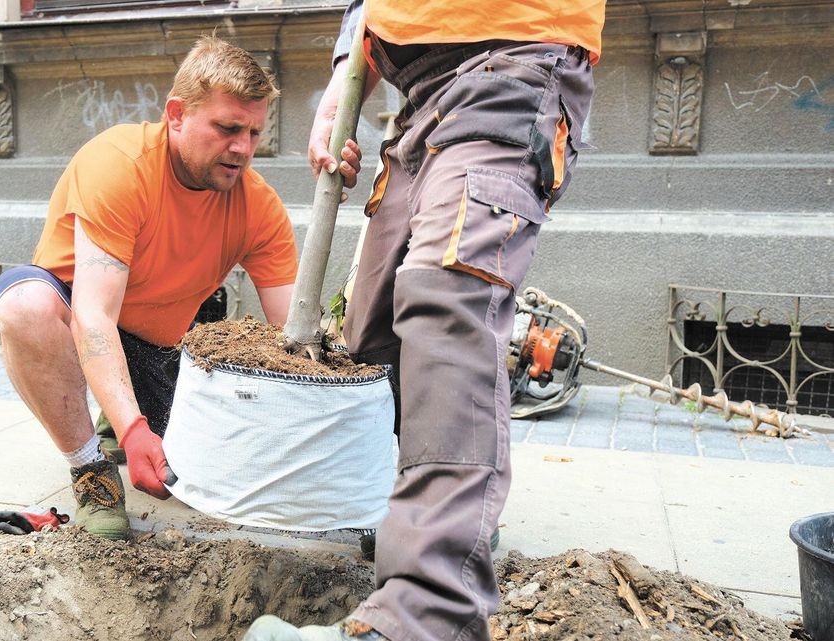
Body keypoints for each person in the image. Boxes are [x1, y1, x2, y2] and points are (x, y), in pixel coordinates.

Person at [245, 2, 604, 640]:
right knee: (372, 332)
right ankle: (437, 522)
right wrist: (343, 81)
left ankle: (427, 612)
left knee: (443, 299)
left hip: (512, 59)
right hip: (417, 93)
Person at [0, 36, 305, 541]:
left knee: (201, 472)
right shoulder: (121, 164)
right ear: (177, 115)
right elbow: (94, 315)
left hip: (159, 346)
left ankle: (118, 415)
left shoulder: (258, 206)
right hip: (75, 321)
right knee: (24, 306)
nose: (243, 148)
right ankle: (92, 471)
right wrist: (137, 431)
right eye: (227, 128)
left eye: (253, 132)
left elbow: (292, 334)